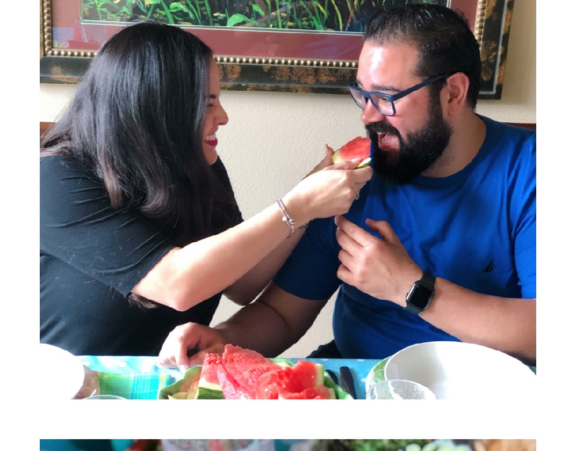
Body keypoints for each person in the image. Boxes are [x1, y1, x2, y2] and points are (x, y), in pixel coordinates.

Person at [159, 4, 536, 369]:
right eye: (362, 94)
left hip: (484, 393)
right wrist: (219, 341)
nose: (366, 116)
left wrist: (409, 287)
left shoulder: (532, 173)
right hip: (355, 376)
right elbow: (281, 314)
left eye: (386, 98)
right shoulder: (355, 177)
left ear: (453, 93)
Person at [41, 22, 370, 355]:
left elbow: (243, 283)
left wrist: (309, 198)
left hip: (171, 384)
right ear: (156, 105)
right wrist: (298, 205)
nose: (223, 116)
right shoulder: (54, 179)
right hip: (72, 389)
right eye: (208, 102)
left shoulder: (198, 166)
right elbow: (176, 284)